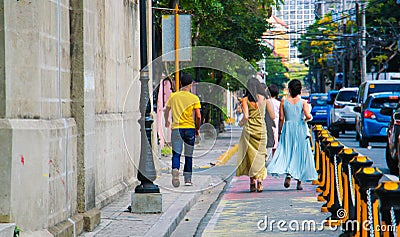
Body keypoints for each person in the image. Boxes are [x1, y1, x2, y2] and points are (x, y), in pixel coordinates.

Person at [267, 79, 317, 190]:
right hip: (300, 129)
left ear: (289, 89)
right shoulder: (303, 102)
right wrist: (306, 118)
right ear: (299, 90)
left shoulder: (283, 101)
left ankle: (288, 175)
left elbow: (281, 118)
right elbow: (308, 116)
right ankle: (299, 182)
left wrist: (280, 132)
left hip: (288, 129)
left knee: (288, 153)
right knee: (300, 154)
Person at [236, 78, 274, 192]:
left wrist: (240, 123)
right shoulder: (265, 99)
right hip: (261, 130)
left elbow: (246, 117)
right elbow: (272, 115)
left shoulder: (245, 100)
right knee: (260, 156)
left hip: (249, 130)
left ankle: (252, 182)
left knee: (250, 156)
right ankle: (260, 181)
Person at [164, 73, 201, 187]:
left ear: (180, 83)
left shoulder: (173, 96)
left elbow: (167, 110)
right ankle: (188, 179)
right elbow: (198, 116)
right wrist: (197, 128)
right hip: (189, 128)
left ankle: (175, 170)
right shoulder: (194, 98)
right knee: (189, 155)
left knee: (176, 153)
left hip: (176, 129)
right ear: (191, 84)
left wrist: (167, 121)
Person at [268, 84, 281, 157]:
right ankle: (274, 160)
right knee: (275, 144)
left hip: (267, 123)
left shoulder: (265, 102)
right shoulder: (278, 103)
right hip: (276, 123)